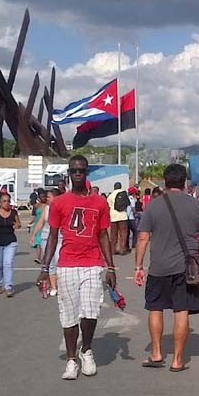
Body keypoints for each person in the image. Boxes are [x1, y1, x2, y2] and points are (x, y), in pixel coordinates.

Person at [36, 156, 119, 380]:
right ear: (69, 174)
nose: (77, 174)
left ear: (87, 172)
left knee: (91, 311)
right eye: (73, 171)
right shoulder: (59, 203)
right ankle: (72, 360)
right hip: (67, 264)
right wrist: (45, 268)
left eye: (81, 170)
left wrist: (111, 268)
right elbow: (52, 236)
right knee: (69, 315)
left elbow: (104, 236)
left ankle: (87, 350)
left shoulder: (99, 202)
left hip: (92, 263)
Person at [134, 164, 199, 372]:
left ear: (165, 182)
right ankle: (177, 360)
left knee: (155, 307)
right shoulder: (197, 206)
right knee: (181, 310)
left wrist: (138, 266)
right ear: (185, 182)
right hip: (186, 269)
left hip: (158, 267)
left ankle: (157, 353)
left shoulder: (153, 206)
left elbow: (143, 237)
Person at [0, 192, 21, 296]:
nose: (6, 203)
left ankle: (8, 287)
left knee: (8, 263)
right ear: (0, 202)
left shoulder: (13, 212)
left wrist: (17, 225)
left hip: (10, 241)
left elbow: (18, 223)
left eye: (8, 201)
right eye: (4, 201)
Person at [107, 182, 130, 255]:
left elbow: (108, 206)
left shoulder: (110, 195)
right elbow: (127, 204)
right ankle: (122, 249)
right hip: (123, 216)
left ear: (114, 187)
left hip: (113, 217)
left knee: (113, 234)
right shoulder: (124, 194)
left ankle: (113, 249)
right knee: (123, 233)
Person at [31, 190, 48, 264]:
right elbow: (34, 216)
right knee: (38, 242)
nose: (43, 198)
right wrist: (31, 222)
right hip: (37, 224)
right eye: (41, 197)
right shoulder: (36, 206)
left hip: (45, 225)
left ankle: (45, 257)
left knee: (44, 242)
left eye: (44, 197)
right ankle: (38, 257)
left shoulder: (48, 205)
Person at [126, 186, 140, 251]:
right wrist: (136, 214)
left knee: (127, 232)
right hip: (131, 218)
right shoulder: (132, 199)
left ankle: (126, 245)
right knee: (135, 231)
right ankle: (134, 244)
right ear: (133, 193)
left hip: (125, 218)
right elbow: (133, 209)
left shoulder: (126, 198)